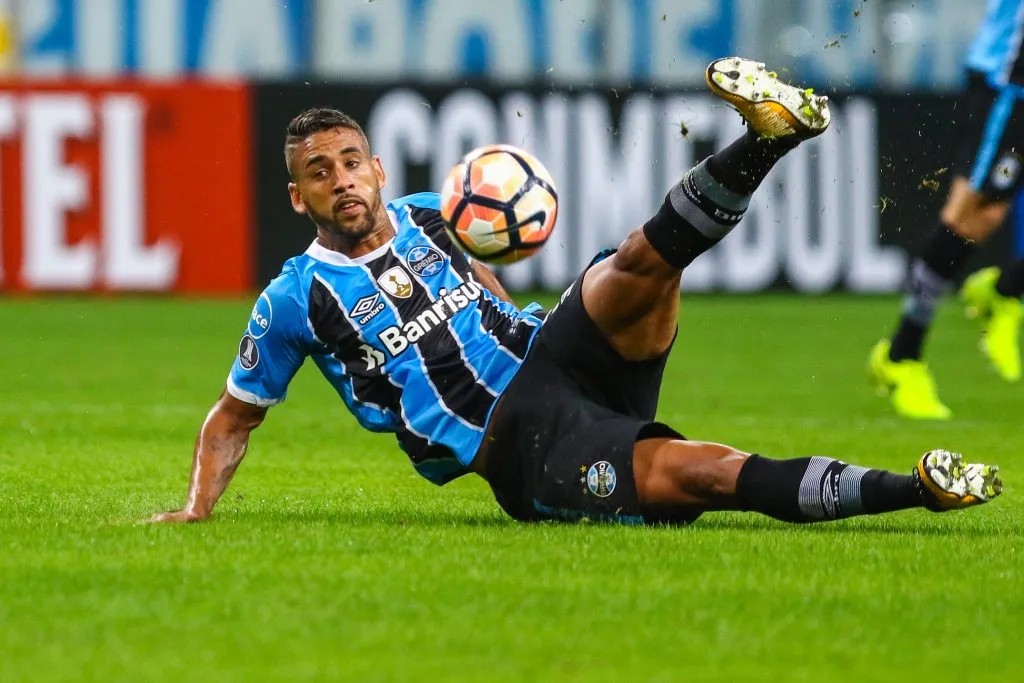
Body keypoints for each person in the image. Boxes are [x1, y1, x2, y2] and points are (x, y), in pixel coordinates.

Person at [151, 57, 1002, 527]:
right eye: (316, 174)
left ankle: (769, 138)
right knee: (706, 471)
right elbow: (235, 415)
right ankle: (920, 488)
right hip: (519, 440)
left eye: (349, 163)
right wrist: (196, 510)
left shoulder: (433, 211)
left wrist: (509, 301)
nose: (341, 182)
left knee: (635, 267)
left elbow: (482, 281)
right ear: (296, 195)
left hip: (552, 351)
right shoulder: (296, 297)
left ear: (375, 167)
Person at [869, 0, 1024, 419]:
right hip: (1008, 80)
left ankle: (1005, 291)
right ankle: (902, 355)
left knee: (986, 216)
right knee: (969, 215)